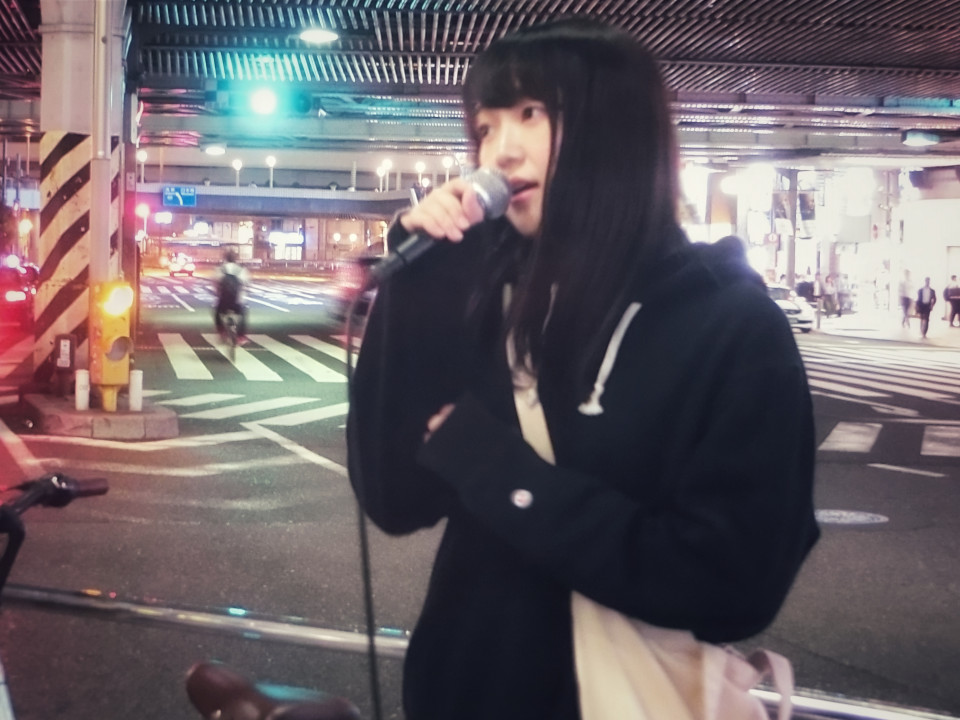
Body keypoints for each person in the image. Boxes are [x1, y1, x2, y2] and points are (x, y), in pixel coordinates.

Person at [347, 19, 819, 720]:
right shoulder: (488, 298)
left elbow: (735, 585)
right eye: (485, 126)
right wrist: (418, 281)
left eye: (531, 114)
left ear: (614, 129)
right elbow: (394, 498)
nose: (500, 150)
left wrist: (504, 476)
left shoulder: (728, 324)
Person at [214, 249, 250, 343]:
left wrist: (217, 292)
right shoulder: (241, 270)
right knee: (243, 314)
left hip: (223, 300)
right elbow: (246, 284)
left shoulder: (220, 269)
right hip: (237, 301)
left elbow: (215, 283)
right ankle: (241, 336)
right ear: (236, 258)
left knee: (217, 312)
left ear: (225, 258)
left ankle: (221, 331)